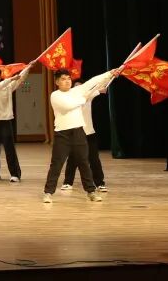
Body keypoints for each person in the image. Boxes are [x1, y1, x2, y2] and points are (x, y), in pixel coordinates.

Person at [42, 67, 123, 204]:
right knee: (56, 164)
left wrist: (110, 73)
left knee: (84, 163)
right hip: (62, 134)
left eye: (69, 78)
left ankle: (91, 191)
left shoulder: (77, 91)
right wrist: (83, 99)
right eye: (63, 79)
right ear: (57, 82)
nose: (67, 81)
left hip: (79, 132)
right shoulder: (55, 95)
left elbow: (93, 81)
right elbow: (67, 106)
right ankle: (48, 193)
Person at [63, 79, 108, 192]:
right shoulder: (69, 97)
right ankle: (68, 182)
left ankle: (100, 183)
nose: (79, 88)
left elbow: (103, 88)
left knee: (94, 159)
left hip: (89, 133)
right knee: (72, 159)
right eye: (76, 86)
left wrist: (111, 75)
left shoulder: (89, 96)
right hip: (75, 132)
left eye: (81, 86)